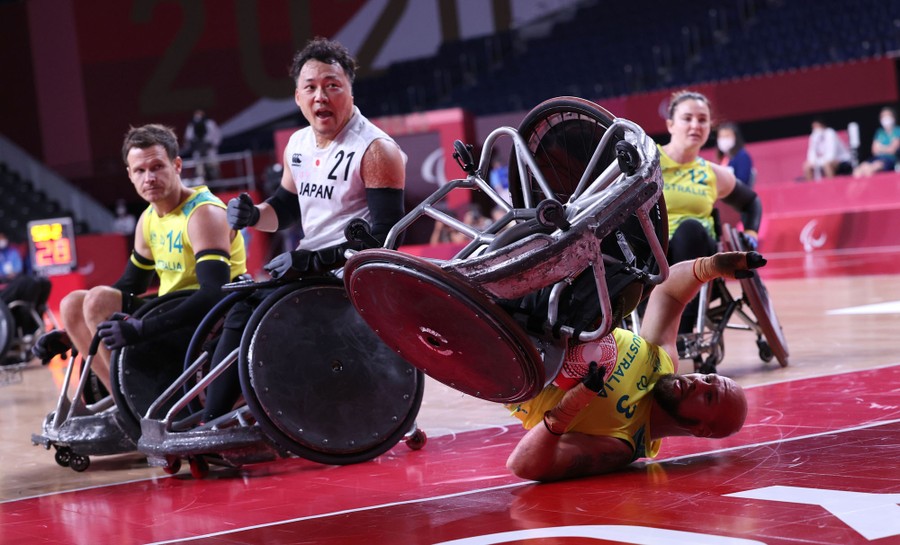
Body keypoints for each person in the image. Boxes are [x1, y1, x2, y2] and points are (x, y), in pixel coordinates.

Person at [201, 37, 407, 421]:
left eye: (332, 86)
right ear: (297, 98)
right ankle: (226, 413)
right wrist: (252, 215)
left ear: (349, 90)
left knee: (248, 312)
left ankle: (213, 420)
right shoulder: (297, 143)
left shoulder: (376, 149)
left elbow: (386, 238)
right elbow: (286, 208)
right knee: (236, 303)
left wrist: (310, 262)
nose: (321, 96)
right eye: (310, 88)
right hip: (311, 267)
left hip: (351, 274)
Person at [506, 251, 759, 482]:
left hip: (514, 356)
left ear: (700, 428)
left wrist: (569, 408)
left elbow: (524, 465)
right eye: (708, 378)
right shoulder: (664, 362)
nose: (698, 382)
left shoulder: (621, 444)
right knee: (636, 272)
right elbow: (670, 292)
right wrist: (710, 266)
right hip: (558, 297)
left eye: (709, 396)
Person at [45, 124, 247, 389]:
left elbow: (213, 293)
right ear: (130, 174)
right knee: (73, 303)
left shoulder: (203, 214)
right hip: (171, 311)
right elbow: (130, 286)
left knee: (97, 300)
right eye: (140, 171)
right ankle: (117, 401)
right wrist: (68, 334)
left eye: (157, 167)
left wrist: (143, 328)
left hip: (208, 321)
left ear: (176, 165)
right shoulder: (148, 218)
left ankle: (126, 400)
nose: (148, 178)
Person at [658, 90, 763, 333]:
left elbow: (751, 203)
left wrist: (751, 233)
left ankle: (680, 329)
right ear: (671, 124)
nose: (696, 125)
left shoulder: (713, 173)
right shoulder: (647, 161)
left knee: (690, 230)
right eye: (688, 118)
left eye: (702, 120)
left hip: (695, 257)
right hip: (652, 259)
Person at [852, 107, 900, 178]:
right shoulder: (879, 132)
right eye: (883, 116)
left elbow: (892, 150)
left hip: (890, 160)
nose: (885, 118)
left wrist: (880, 147)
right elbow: (874, 150)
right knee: (858, 170)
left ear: (893, 117)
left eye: (888, 116)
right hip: (876, 158)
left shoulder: (897, 130)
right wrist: (885, 148)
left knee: (871, 170)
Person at [184, 109, 222, 180]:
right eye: (197, 114)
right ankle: (203, 186)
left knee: (214, 168)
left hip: (210, 150)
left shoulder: (210, 123)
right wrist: (194, 146)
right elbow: (188, 138)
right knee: (200, 172)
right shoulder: (191, 125)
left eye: (200, 114)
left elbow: (217, 136)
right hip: (198, 151)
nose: (198, 116)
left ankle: (218, 186)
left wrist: (212, 145)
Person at [715, 122, 754, 187]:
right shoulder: (724, 158)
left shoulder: (742, 156)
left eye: (727, 136)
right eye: (721, 137)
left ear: (735, 137)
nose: (724, 140)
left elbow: (742, 180)